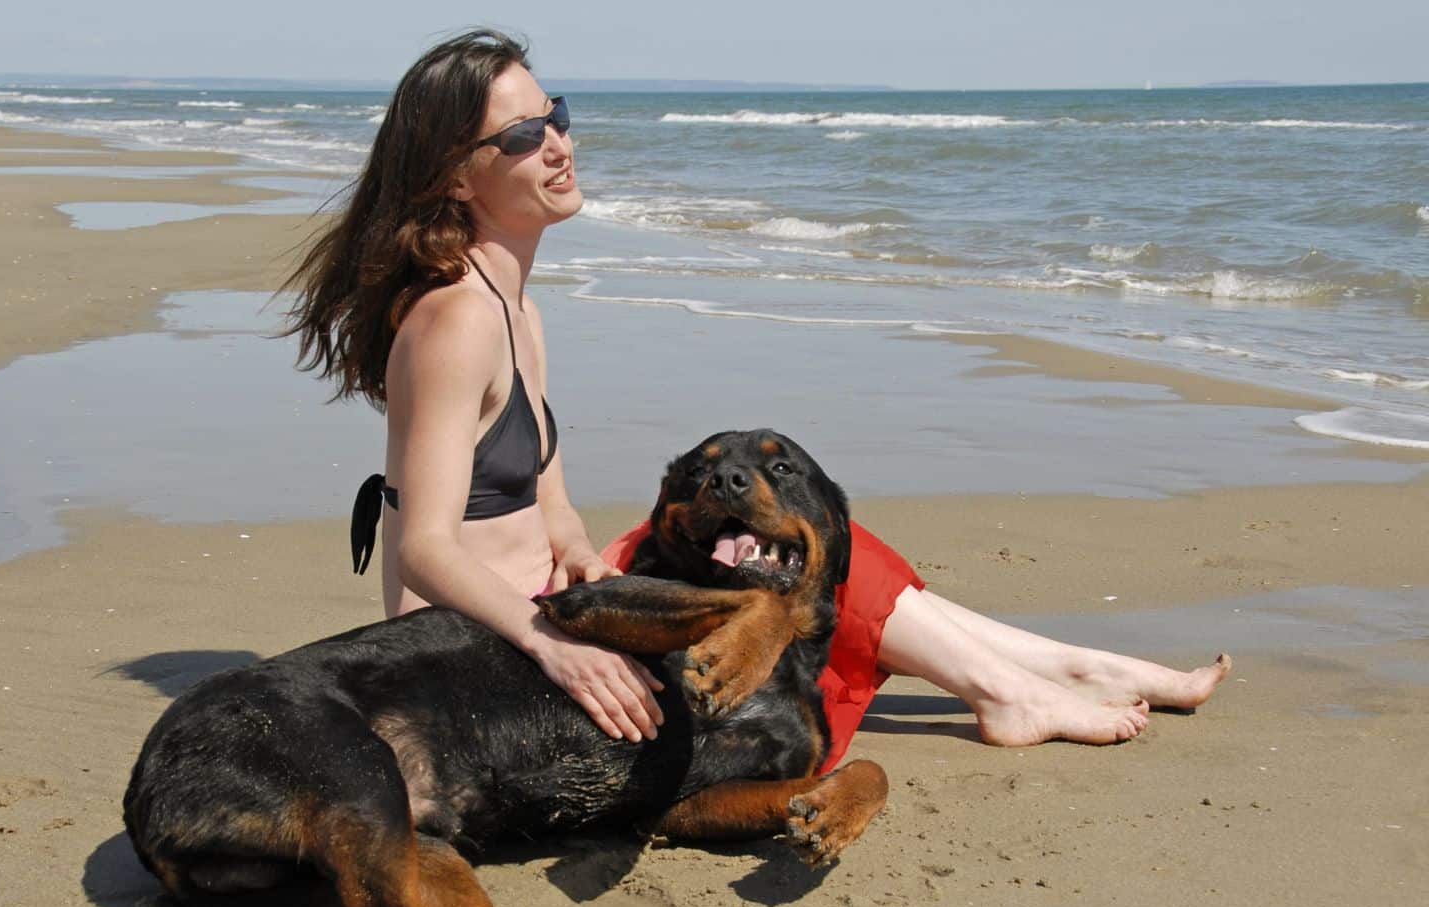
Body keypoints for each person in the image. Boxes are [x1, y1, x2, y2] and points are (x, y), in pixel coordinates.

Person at [284, 29, 1228, 772]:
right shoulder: (457, 319)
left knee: (789, 532)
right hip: (490, 639)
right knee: (793, 559)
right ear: (457, 173)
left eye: (557, 114)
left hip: (565, 595)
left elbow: (545, 488)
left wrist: (573, 547)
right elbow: (428, 548)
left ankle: (1046, 671)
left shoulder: (513, 302)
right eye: (525, 135)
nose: (559, 145)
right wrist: (555, 645)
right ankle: (1029, 683)